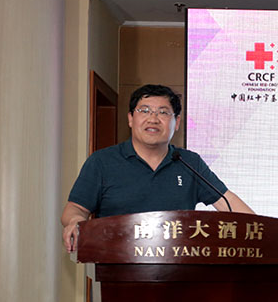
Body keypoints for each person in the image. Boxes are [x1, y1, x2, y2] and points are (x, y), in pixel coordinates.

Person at [61, 84, 254, 251]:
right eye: (144, 110)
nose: (153, 119)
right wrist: (75, 222)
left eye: (163, 112)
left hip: (179, 271)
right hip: (115, 268)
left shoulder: (189, 162)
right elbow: (75, 208)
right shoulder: (102, 161)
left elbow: (227, 201)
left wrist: (261, 230)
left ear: (177, 122)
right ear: (130, 118)